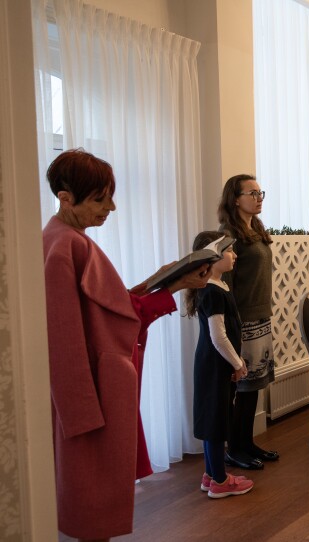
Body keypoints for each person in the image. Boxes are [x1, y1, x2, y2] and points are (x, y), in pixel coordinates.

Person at [43, 149, 210, 540]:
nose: (111, 207)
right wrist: (81, 413)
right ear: (65, 197)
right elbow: (70, 334)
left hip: (98, 384)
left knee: (91, 492)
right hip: (94, 389)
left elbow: (110, 307)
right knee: (92, 493)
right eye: (100, 199)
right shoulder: (67, 245)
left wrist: (164, 279)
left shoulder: (64, 238)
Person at [183, 231, 254, 499]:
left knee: (217, 417)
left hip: (216, 364)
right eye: (229, 251)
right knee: (216, 422)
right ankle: (221, 482)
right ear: (212, 256)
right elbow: (218, 337)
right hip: (215, 365)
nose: (235, 255)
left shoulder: (219, 287)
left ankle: (212, 474)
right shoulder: (211, 291)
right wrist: (238, 364)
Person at [218, 174, 279, 470]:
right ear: (235, 198)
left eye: (260, 192)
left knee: (253, 385)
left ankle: (247, 442)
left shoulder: (255, 227)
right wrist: (233, 324)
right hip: (242, 320)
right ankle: (234, 448)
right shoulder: (228, 233)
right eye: (252, 193)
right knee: (241, 387)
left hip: (259, 316)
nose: (259, 198)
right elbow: (224, 282)